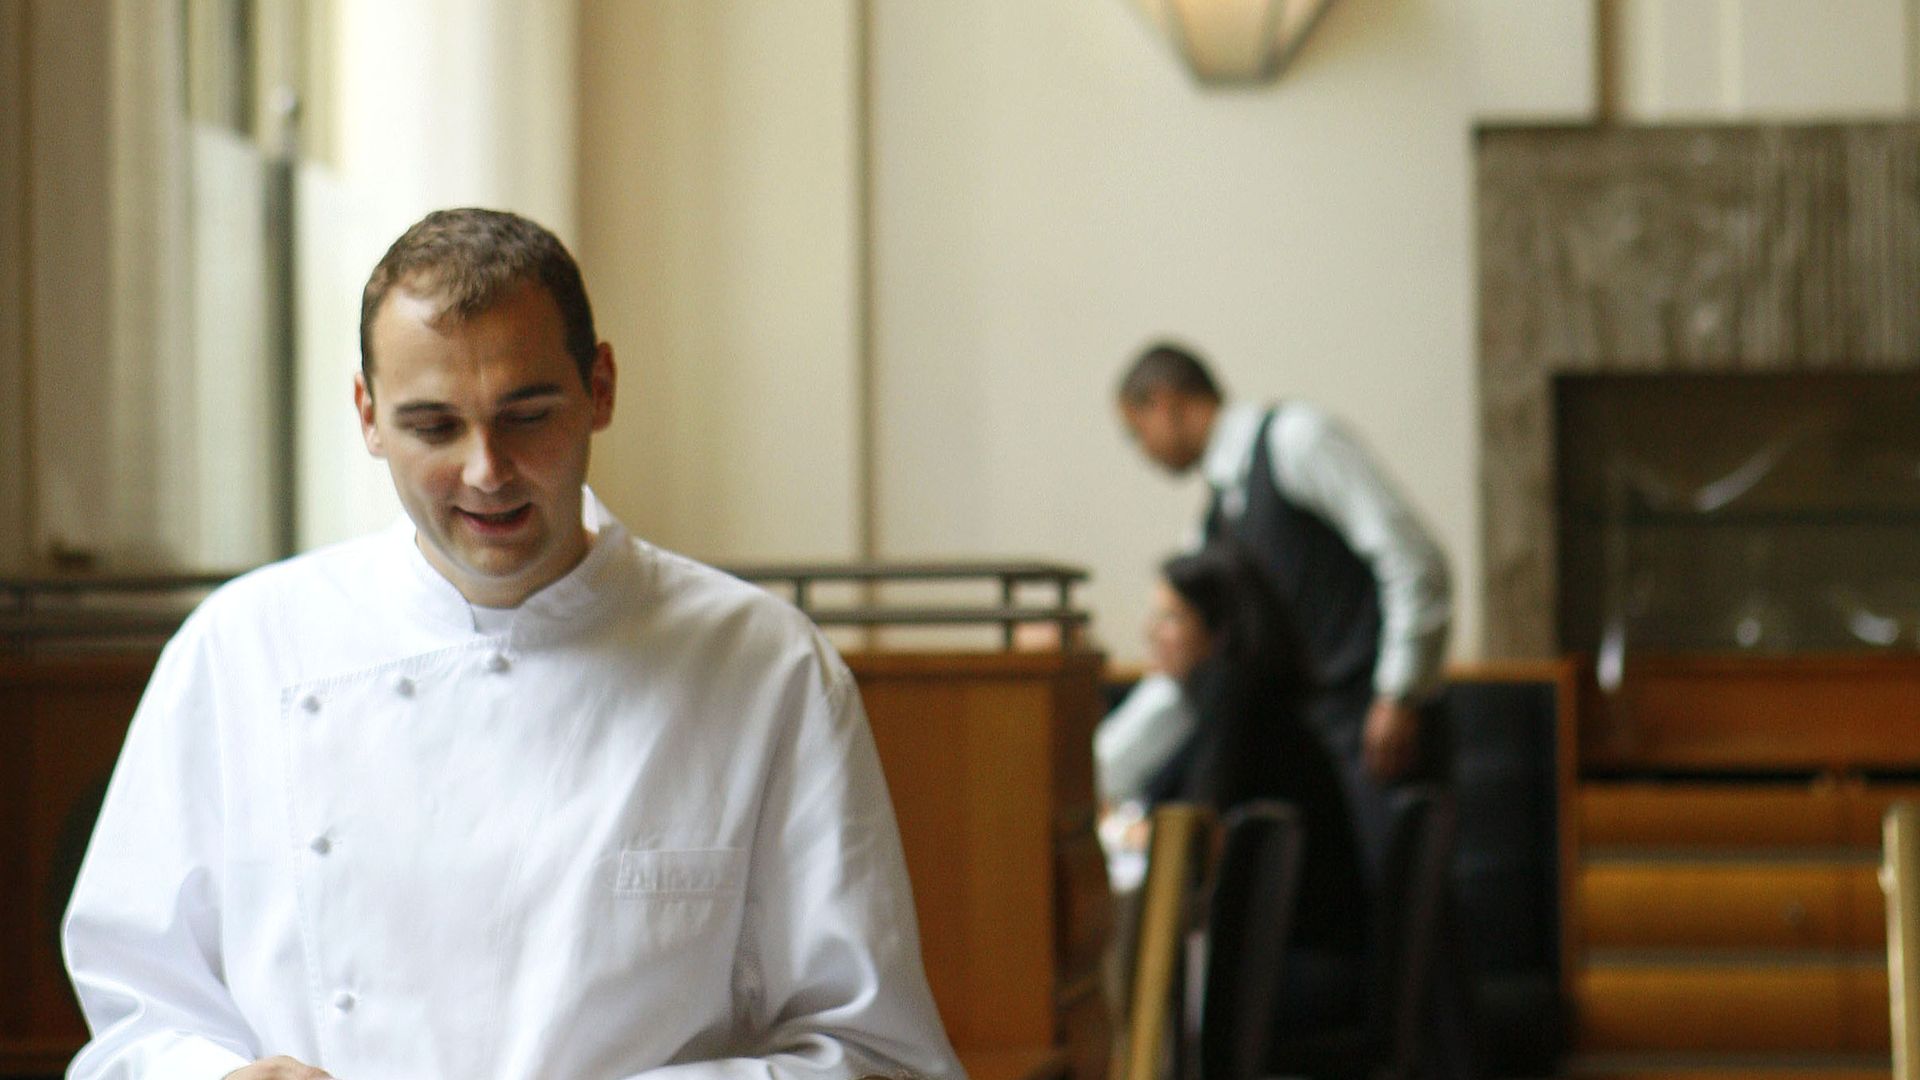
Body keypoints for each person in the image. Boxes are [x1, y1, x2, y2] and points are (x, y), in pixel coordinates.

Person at [61, 208, 963, 1080]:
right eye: (434, 427)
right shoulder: (243, 648)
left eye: (526, 415)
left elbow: (874, 1054)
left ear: (599, 389)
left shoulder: (766, 667)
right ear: (367, 415)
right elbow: (138, 1011)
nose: (487, 472)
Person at [1113, 341, 1452, 874]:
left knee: (1401, 921)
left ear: (1165, 402)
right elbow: (1185, 666)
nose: (1142, 451)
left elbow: (1413, 560)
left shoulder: (1297, 441)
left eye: (1137, 432)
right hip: (1321, 752)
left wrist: (1398, 694)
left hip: (1375, 732)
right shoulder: (1218, 513)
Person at [1146, 542, 1367, 999]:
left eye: (1170, 618)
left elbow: (1191, 829)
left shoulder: (1240, 703)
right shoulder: (1245, 696)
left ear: (1220, 628)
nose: (1151, 634)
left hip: (1295, 964)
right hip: (1304, 953)